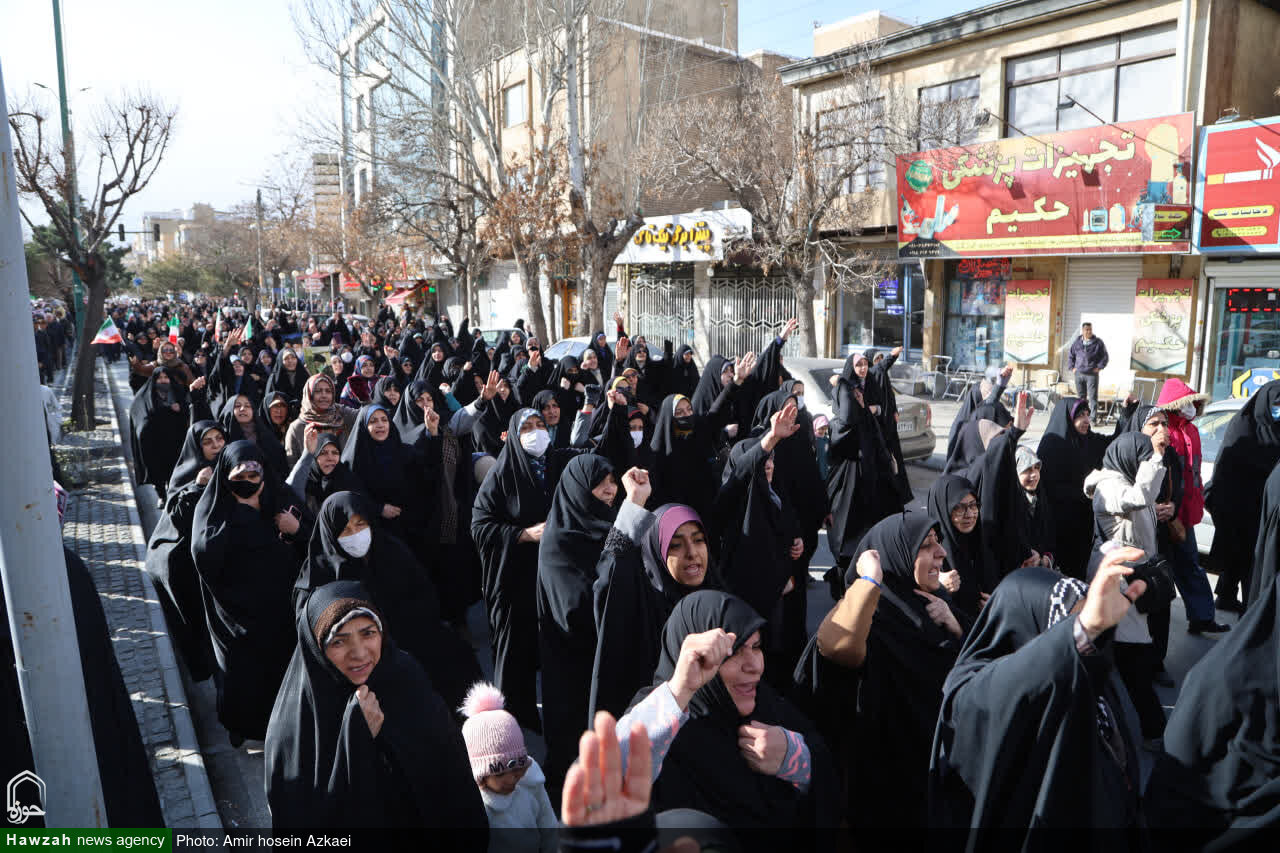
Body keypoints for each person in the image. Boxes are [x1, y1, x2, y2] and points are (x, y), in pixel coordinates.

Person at [930, 552, 1148, 839]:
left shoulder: (1087, 681)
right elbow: (1017, 684)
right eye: (1066, 620)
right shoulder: (970, 689)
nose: (1088, 644)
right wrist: (1080, 631)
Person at [612, 591, 838, 842]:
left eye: (756, 647)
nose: (754, 666)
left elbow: (829, 783)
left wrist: (796, 758)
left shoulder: (768, 706)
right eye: (733, 652)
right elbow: (609, 784)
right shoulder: (659, 719)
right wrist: (681, 689)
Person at [265, 581, 488, 833]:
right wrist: (355, 739)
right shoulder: (293, 727)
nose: (359, 653)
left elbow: (451, 777)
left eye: (368, 633)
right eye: (339, 642)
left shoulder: (406, 680)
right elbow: (300, 823)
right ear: (316, 648)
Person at [797, 511, 967, 828]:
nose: (941, 552)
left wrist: (955, 625)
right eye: (926, 545)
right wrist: (870, 581)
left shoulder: (934, 604)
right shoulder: (873, 621)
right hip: (891, 788)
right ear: (896, 556)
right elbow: (837, 647)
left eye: (938, 542)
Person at [295, 490, 481, 712]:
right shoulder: (317, 577)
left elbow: (424, 598)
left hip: (407, 643)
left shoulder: (391, 551)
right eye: (346, 530)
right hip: (356, 663)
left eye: (360, 524)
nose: (356, 534)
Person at [472, 409, 582, 732]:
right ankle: (513, 726)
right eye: (527, 428)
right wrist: (524, 534)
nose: (536, 432)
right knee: (516, 654)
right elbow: (480, 526)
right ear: (513, 436)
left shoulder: (557, 466)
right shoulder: (502, 475)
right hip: (515, 579)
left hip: (554, 576)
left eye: (540, 425)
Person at [191, 441, 304, 745]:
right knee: (242, 676)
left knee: (278, 673)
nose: (247, 482)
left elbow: (308, 536)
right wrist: (245, 511)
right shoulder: (215, 508)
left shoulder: (278, 497)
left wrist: (294, 530)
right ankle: (238, 726)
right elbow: (204, 553)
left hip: (280, 609)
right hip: (236, 613)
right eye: (239, 477)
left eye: (254, 475)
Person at [590, 469, 725, 722]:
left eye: (699, 540)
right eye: (676, 545)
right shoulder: (644, 609)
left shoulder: (719, 603)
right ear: (657, 551)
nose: (692, 553)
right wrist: (635, 502)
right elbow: (611, 578)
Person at [536, 454, 619, 794]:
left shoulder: (605, 527)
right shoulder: (559, 542)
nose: (611, 490)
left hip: (607, 658)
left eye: (612, 482)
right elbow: (575, 610)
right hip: (574, 664)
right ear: (578, 491)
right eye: (600, 485)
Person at [1083, 431, 1169, 745]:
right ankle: (1154, 730)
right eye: (1142, 457)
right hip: (1117, 581)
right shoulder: (1109, 485)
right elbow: (1137, 499)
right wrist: (1155, 459)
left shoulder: (1126, 479)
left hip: (1131, 576)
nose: (1146, 462)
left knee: (1113, 654)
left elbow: (1143, 504)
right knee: (1131, 657)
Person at [145, 421, 226, 681]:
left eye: (219, 439)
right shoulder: (188, 472)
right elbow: (177, 516)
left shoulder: (229, 465)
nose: (215, 446)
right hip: (187, 562)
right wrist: (198, 486)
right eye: (208, 442)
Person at [1151, 379, 1227, 634]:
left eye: (1194, 402)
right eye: (1187, 402)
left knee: (1191, 565)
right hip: (1165, 512)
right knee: (1161, 568)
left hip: (1187, 513)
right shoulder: (1163, 430)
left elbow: (1194, 474)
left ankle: (1202, 617)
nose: (1192, 406)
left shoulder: (1192, 431)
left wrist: (1197, 503)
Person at [1206, 379, 1280, 610]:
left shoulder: (1275, 429)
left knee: (1246, 558)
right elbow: (1224, 471)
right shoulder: (1242, 427)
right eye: (1276, 404)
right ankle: (1250, 609)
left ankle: (1229, 598)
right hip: (1236, 507)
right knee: (1247, 558)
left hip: (1263, 508)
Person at [460, 682, 559, 851]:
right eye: (499, 774)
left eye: (517, 768)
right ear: (479, 776)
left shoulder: (530, 782)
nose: (511, 778)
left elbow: (549, 826)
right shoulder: (476, 805)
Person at [1037, 397, 1119, 580]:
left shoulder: (1087, 440)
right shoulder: (1052, 445)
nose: (1087, 420)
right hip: (1059, 525)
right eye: (1081, 415)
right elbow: (1049, 488)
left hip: (1084, 522)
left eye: (1088, 414)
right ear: (1068, 417)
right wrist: (1083, 494)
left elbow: (1115, 443)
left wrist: (1128, 413)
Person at [129, 367, 191, 506]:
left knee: (174, 468)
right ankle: (162, 495)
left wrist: (180, 408)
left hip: (175, 438)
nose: (163, 381)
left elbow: (187, 409)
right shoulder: (146, 394)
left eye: (166, 377)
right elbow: (138, 412)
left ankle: (173, 493)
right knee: (157, 470)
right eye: (160, 378)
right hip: (154, 441)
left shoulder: (178, 392)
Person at [284, 374, 359, 468]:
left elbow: (366, 417)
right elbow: (292, 465)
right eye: (318, 391)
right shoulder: (297, 428)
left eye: (328, 391)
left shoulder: (342, 414)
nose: (324, 395)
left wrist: (365, 400)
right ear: (309, 394)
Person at [1067, 322, 1109, 423]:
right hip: (1079, 374)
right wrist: (1072, 368)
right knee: (1081, 398)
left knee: (1092, 397)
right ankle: (1082, 416)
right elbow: (1071, 356)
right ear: (1082, 331)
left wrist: (1099, 367)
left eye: (1090, 329)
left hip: (1091, 374)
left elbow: (1105, 357)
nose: (1089, 331)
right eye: (1087, 330)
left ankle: (1093, 418)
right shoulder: (1077, 343)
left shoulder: (1098, 343)